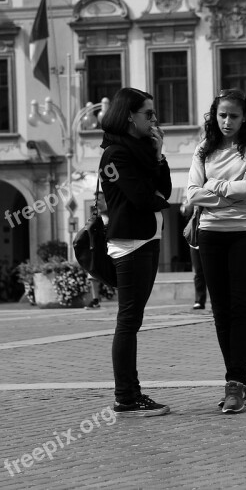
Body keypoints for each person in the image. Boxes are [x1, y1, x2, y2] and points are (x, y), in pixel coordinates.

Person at [187, 88, 246, 414]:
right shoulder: (203, 149)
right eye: (222, 114)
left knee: (240, 306)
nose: (227, 121)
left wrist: (214, 186)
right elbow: (192, 193)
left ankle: (234, 381)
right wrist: (229, 193)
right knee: (220, 310)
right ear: (214, 115)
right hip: (210, 235)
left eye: (233, 115)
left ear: (244, 117)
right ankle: (239, 380)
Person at [100, 87, 172, 417]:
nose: (154, 120)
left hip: (144, 238)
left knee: (132, 319)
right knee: (128, 320)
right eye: (148, 114)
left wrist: (158, 155)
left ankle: (130, 393)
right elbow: (145, 199)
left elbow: (164, 190)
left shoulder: (141, 150)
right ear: (130, 115)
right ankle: (126, 396)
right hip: (130, 243)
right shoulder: (116, 154)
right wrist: (157, 196)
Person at [180, 194, 207, 310]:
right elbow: (184, 211)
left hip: (210, 231)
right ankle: (199, 300)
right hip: (195, 237)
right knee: (198, 271)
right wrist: (188, 203)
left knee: (214, 271)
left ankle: (219, 300)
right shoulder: (192, 193)